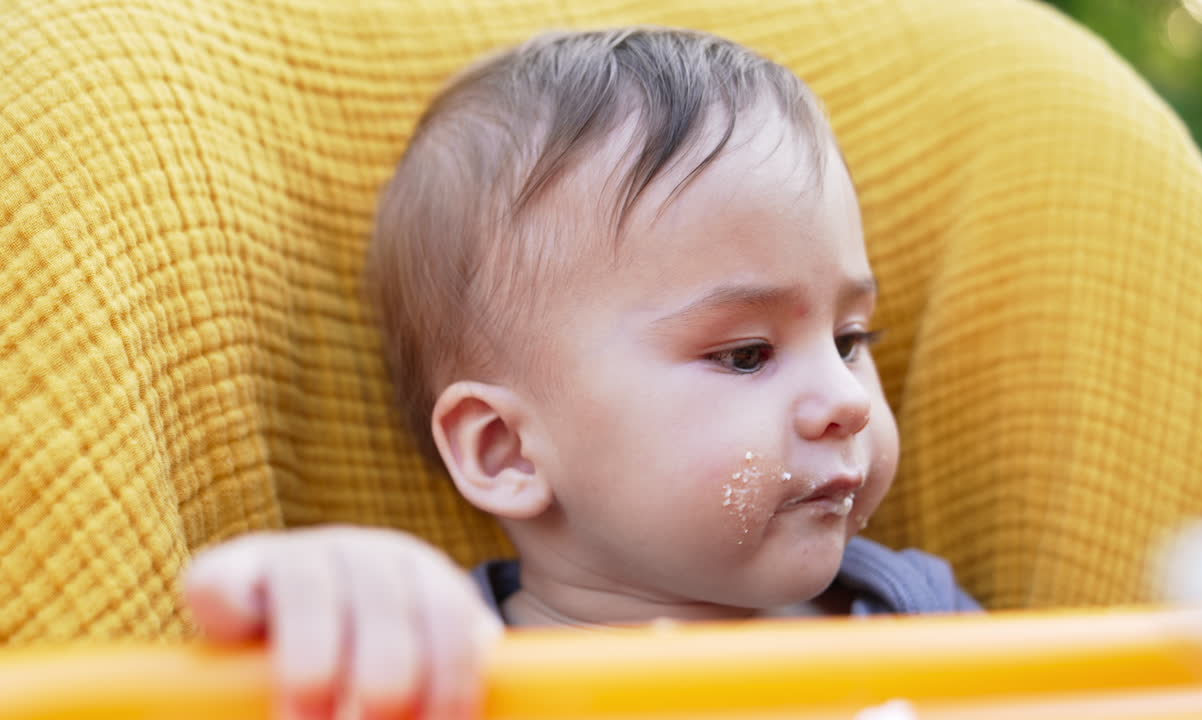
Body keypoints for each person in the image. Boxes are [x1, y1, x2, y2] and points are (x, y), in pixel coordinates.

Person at [183, 27, 979, 720]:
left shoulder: (920, 625)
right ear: (507, 450)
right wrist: (332, 597)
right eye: (746, 355)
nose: (846, 400)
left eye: (850, 338)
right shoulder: (440, 662)